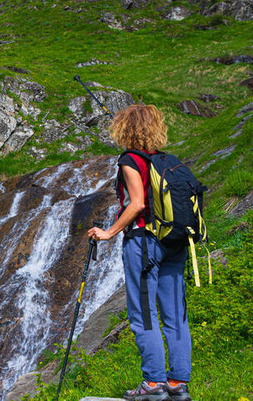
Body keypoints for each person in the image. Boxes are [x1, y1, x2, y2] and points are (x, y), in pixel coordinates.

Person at [88, 104, 192, 401]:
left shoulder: (130, 160)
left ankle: (152, 384)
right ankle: (177, 384)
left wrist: (108, 232)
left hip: (145, 243)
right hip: (174, 244)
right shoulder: (165, 160)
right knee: (175, 317)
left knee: (143, 315)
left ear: (125, 128)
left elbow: (135, 204)